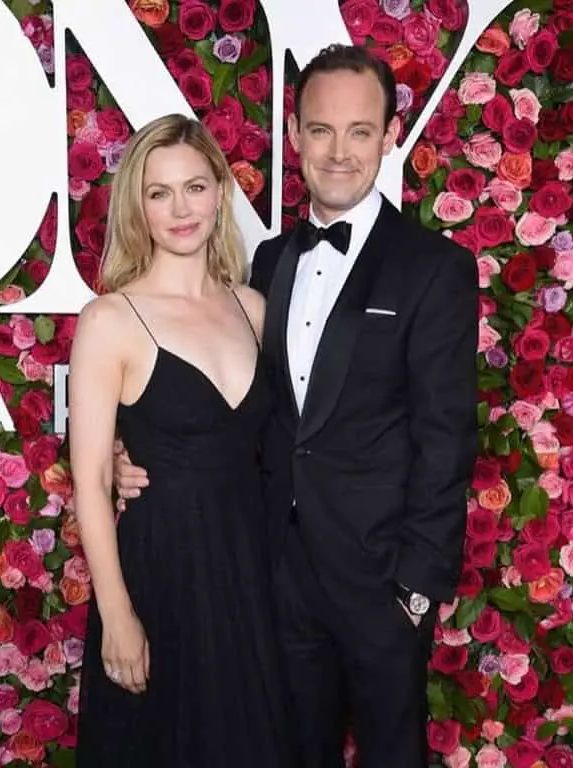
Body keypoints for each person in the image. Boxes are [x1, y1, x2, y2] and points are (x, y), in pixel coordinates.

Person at [116, 44, 478, 768]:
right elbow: (240, 410)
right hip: (272, 578)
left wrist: (414, 591)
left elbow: (447, 437)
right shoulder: (270, 266)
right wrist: (132, 461)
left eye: (359, 131)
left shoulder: (434, 268)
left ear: (390, 135)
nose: (338, 152)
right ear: (296, 134)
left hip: (381, 584)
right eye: (320, 130)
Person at [69, 113, 291, 767]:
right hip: (160, 575)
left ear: (220, 191)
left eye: (194, 187)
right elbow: (90, 479)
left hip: (253, 575)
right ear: (138, 207)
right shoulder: (110, 319)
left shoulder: (253, 308)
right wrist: (116, 613)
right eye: (159, 192)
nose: (180, 209)